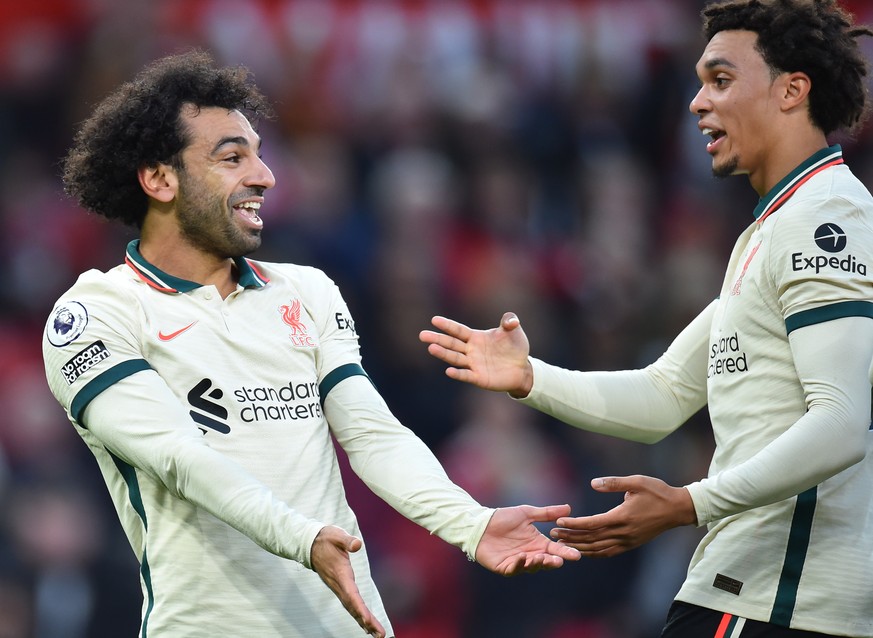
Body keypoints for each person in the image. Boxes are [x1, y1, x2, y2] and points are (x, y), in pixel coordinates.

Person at [41, 50, 581, 638]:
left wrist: (470, 525)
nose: (264, 176)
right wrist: (301, 540)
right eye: (232, 157)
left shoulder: (307, 290)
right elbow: (179, 458)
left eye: (260, 154)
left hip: (348, 624)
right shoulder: (94, 314)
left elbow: (372, 434)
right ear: (160, 179)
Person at [421, 1, 873, 636]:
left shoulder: (825, 219)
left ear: (791, 91)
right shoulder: (772, 230)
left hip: (780, 598)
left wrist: (689, 503)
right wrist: (531, 377)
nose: (696, 102)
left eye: (720, 79)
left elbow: (842, 422)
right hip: (746, 590)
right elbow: (663, 395)